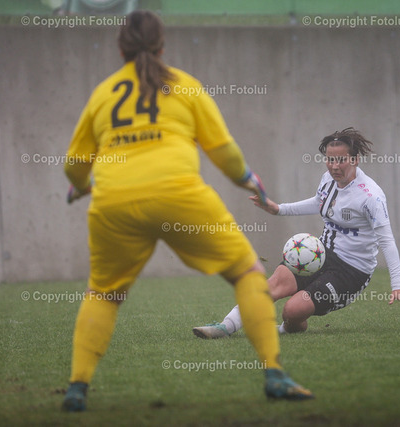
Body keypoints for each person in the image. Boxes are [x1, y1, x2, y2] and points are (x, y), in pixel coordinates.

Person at [61, 10, 313, 412]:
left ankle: (77, 389)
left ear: (120, 49)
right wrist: (250, 180)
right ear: (162, 46)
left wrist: (83, 186)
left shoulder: (103, 93)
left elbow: (74, 166)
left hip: (115, 203)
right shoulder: (184, 86)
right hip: (179, 197)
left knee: (103, 294)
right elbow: (224, 153)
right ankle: (274, 375)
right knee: (248, 273)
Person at [193, 127, 400, 339]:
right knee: (273, 284)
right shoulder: (328, 179)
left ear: (355, 159)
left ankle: (286, 327)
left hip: (351, 271)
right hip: (320, 253)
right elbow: (319, 202)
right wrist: (279, 209)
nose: (334, 166)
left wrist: (397, 285)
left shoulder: (370, 196)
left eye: (341, 160)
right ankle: (225, 326)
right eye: (329, 159)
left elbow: (387, 241)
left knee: (292, 311)